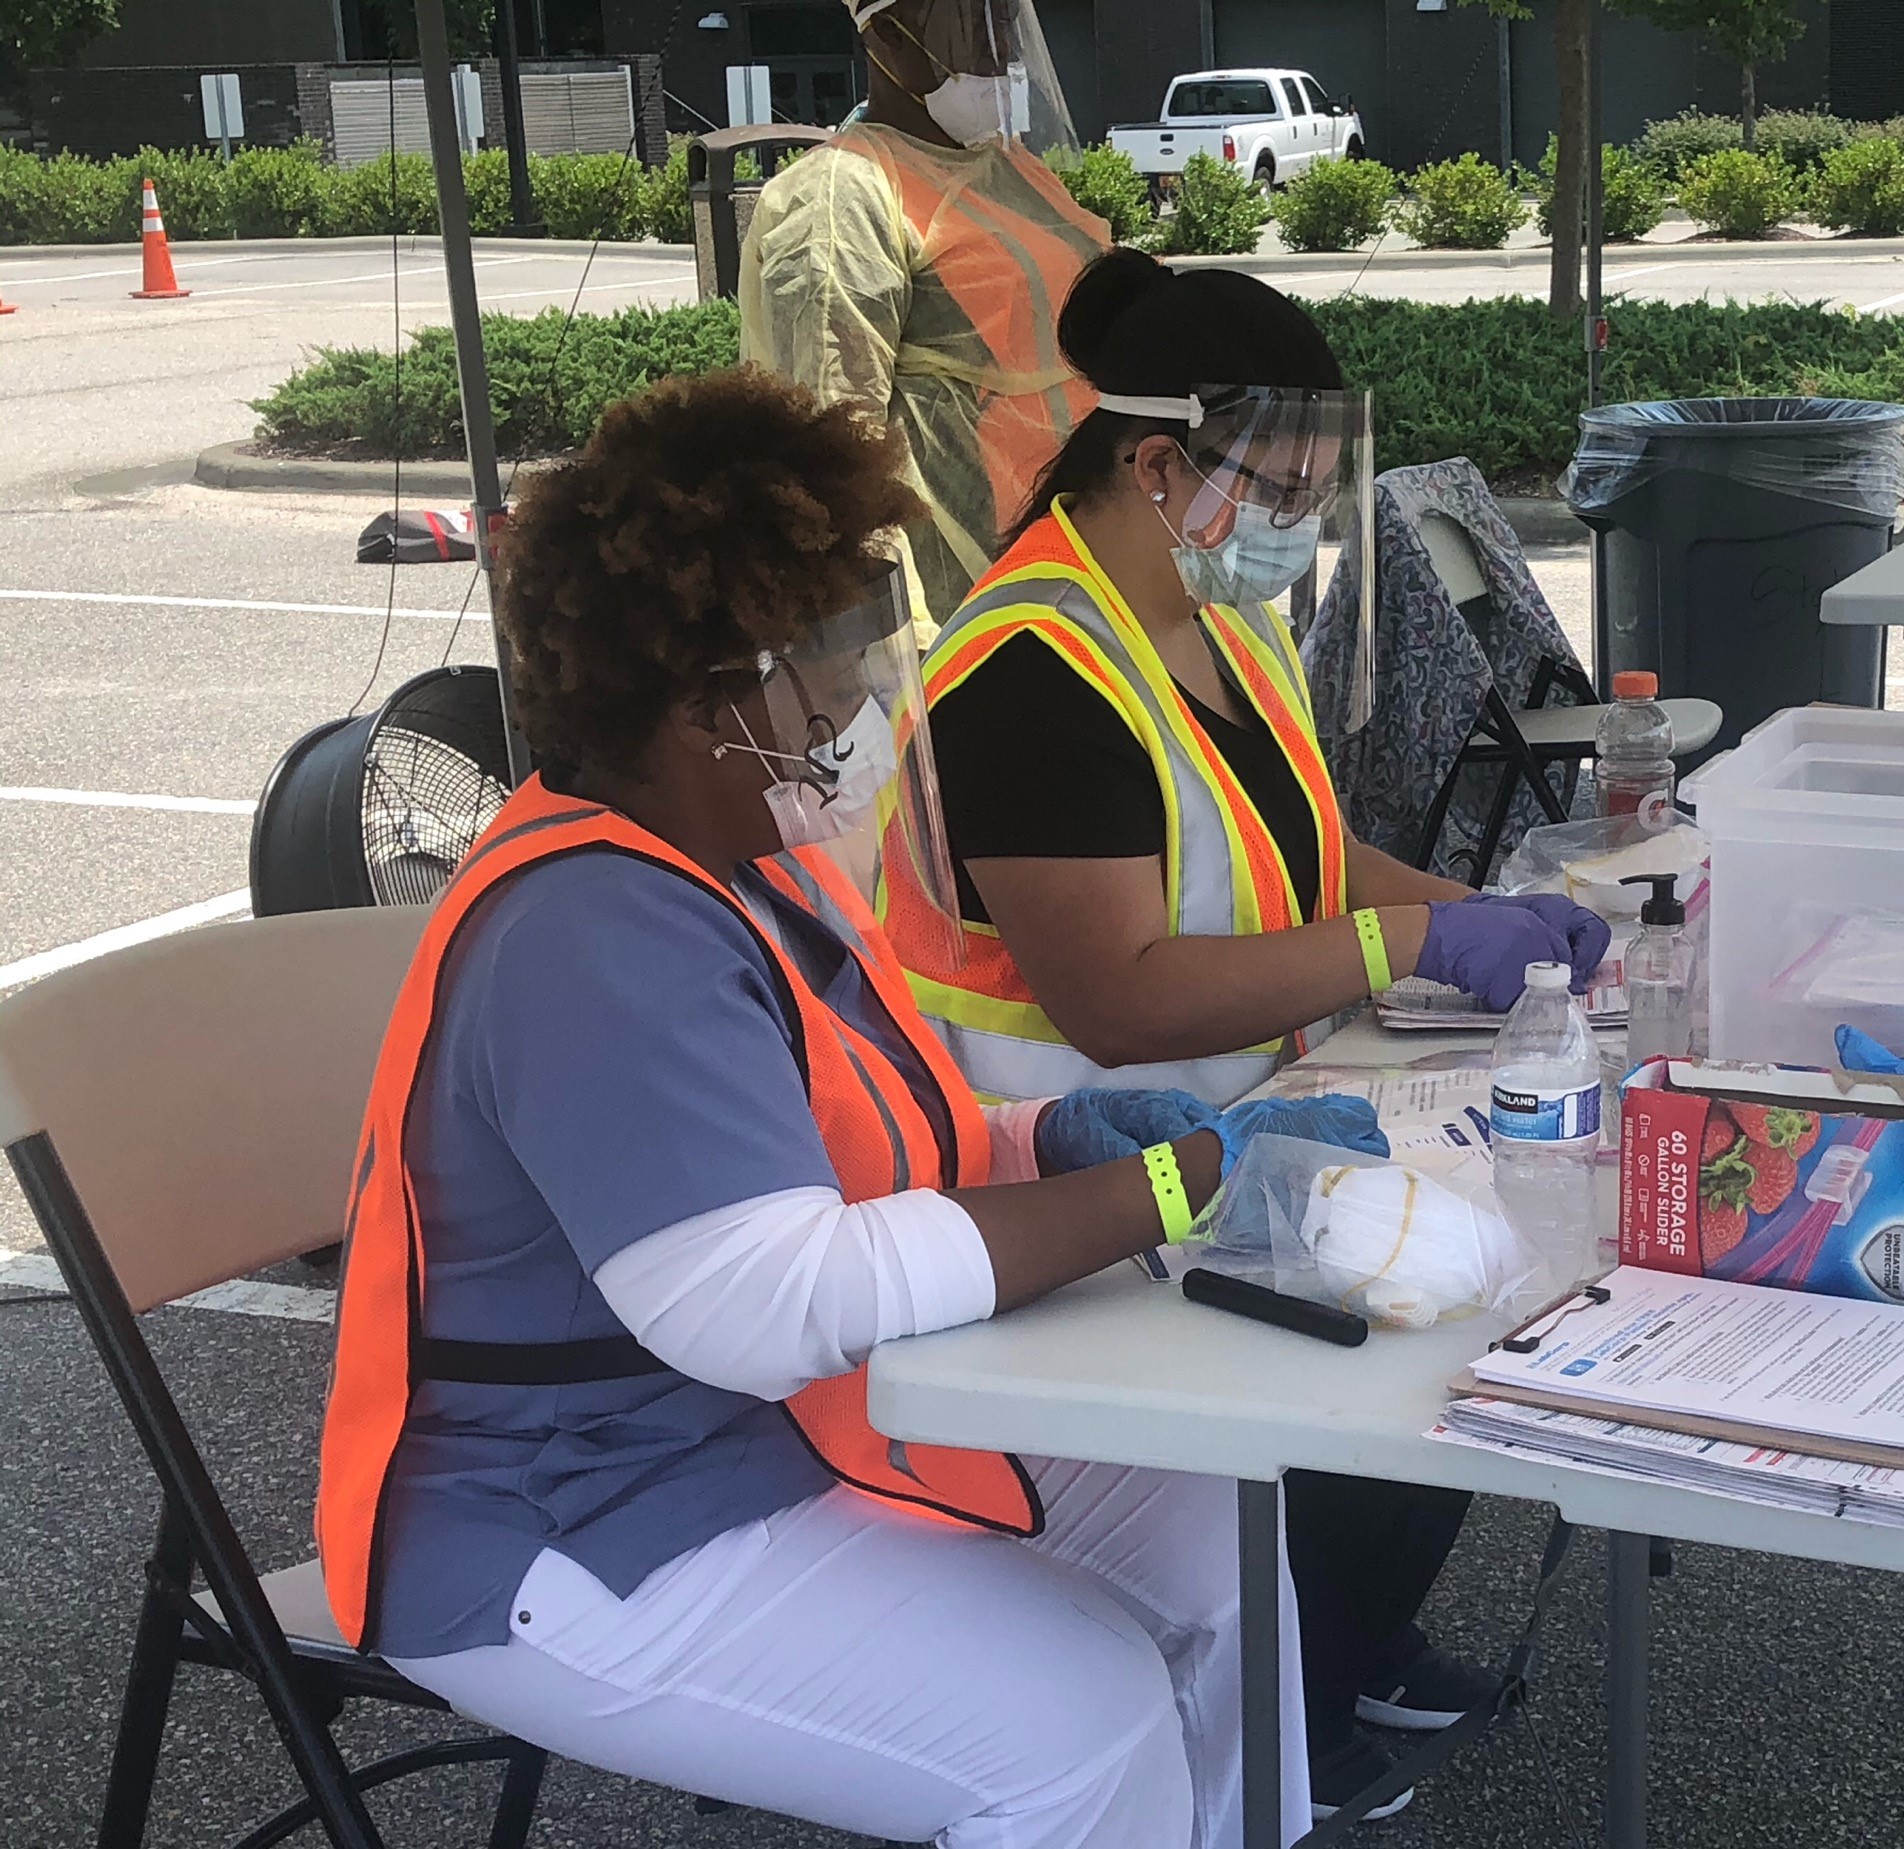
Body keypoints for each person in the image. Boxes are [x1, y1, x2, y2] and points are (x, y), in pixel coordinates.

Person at [314, 366, 1379, 1847]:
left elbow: (876, 1137)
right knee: (1077, 1725)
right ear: (706, 702)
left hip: (767, 1426)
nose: (869, 698)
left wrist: (1048, 1138)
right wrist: (1169, 1187)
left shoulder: (749, 858)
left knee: (1214, 1527)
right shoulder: (592, 934)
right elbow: (761, 1301)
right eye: (831, 664)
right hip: (570, 1521)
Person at [903, 248, 1613, 1818]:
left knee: (1465, 1301)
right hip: (1084, 1153)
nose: (1298, 522)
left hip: (1254, 1101)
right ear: (1156, 465)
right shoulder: (1028, 668)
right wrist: (1407, 942)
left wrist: (1495, 913)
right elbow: (1118, 994)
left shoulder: (1218, 620)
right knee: (1383, 1348)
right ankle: (1281, 1699)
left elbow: (1289, 843)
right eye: (1276, 485)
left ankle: (1343, 1642)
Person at [740, 0, 1109, 625]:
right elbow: (826, 458)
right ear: (887, 34)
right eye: (975, 27)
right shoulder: (840, 200)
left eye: (1008, 24)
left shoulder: (1017, 171)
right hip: (966, 618)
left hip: (1081, 580)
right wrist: (888, 654)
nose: (1004, 54)